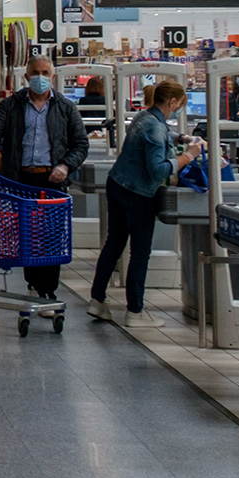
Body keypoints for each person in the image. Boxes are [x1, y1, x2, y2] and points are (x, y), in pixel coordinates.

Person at [0, 57, 89, 301]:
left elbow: (80, 143)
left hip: (52, 180)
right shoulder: (11, 106)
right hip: (21, 180)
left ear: (53, 77)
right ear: (26, 77)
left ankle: (48, 289)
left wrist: (66, 165)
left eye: (45, 72)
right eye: (35, 72)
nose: (40, 76)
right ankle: (34, 284)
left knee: (52, 234)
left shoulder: (65, 108)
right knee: (29, 233)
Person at [90, 79, 201, 328]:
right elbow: (157, 170)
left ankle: (97, 300)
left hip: (117, 184)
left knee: (114, 244)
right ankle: (135, 312)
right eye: (179, 104)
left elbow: (162, 132)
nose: (179, 109)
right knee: (140, 252)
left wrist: (181, 137)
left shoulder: (144, 117)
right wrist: (187, 156)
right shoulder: (155, 128)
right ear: (172, 102)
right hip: (138, 194)